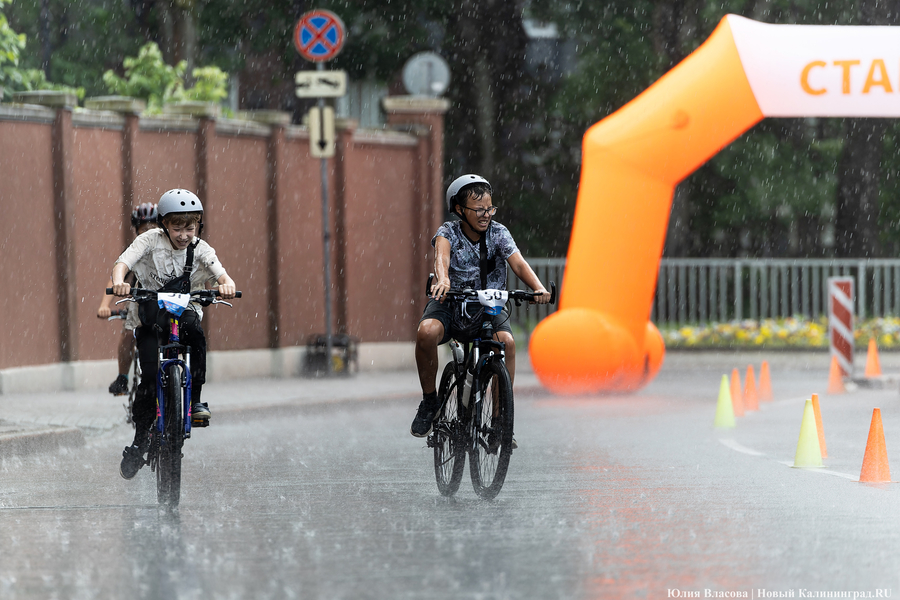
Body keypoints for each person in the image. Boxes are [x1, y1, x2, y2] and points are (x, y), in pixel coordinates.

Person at [411, 174, 551, 438]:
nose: (486, 215)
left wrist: (538, 288)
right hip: (450, 303)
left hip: (489, 308)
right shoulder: (448, 232)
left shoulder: (499, 233)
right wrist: (443, 280)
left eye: (489, 209)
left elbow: (518, 263)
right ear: (459, 210)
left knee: (507, 343)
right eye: (478, 210)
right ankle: (430, 402)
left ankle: (500, 419)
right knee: (426, 333)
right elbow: (441, 257)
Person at [110, 188, 237, 479]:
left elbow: (221, 274)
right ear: (164, 223)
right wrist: (119, 281)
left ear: (198, 226)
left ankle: (196, 401)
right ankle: (140, 439)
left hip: (186, 308)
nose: (183, 234)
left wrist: (226, 283)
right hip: (152, 310)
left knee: (196, 333)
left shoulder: (201, 249)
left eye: (189, 227)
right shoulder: (148, 241)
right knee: (150, 377)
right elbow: (123, 263)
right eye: (177, 227)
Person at [97, 203, 160, 396]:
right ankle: (123, 377)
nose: (148, 232)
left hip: (165, 299)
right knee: (128, 333)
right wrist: (104, 305)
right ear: (136, 230)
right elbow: (116, 277)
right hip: (139, 299)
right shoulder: (135, 250)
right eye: (143, 229)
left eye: (153, 227)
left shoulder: (170, 247)